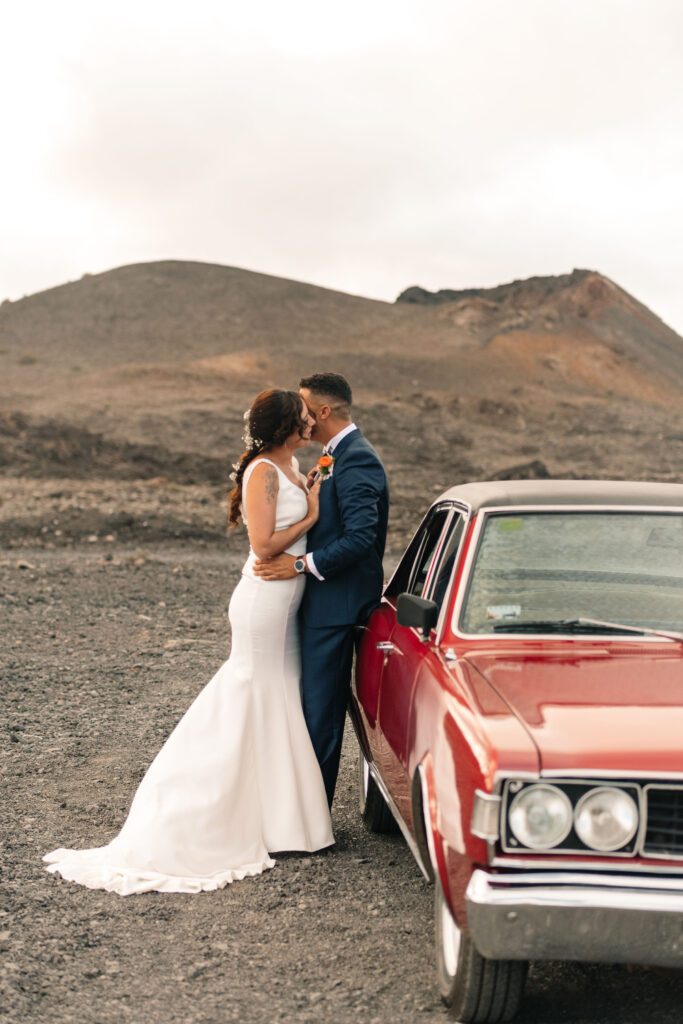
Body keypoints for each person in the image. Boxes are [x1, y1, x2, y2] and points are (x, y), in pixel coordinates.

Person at [43, 389, 334, 895]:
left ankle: (281, 822)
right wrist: (309, 514)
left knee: (277, 696)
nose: (312, 421)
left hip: (287, 600)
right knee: (253, 693)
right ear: (287, 424)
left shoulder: (288, 465)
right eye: (304, 416)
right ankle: (203, 812)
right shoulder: (263, 470)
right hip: (265, 600)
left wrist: (308, 491)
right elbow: (264, 544)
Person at [254, 373, 389, 806]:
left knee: (321, 712)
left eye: (305, 406)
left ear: (324, 411)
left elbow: (361, 538)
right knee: (311, 707)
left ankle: (310, 815)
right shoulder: (334, 456)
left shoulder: (358, 459)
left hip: (336, 607)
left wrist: (300, 564)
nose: (301, 414)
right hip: (320, 602)